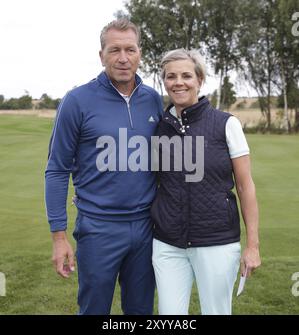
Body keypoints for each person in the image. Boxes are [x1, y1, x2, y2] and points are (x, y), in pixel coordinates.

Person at [45, 18, 163, 315]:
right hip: (98, 229)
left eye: (130, 49)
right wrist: (59, 238)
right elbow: (57, 170)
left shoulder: (153, 100)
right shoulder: (77, 101)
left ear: (139, 54)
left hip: (147, 228)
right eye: (114, 50)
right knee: (94, 310)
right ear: (102, 56)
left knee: (141, 312)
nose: (123, 58)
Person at [151, 48, 261, 315]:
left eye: (186, 75)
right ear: (164, 82)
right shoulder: (159, 127)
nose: (179, 82)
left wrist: (253, 245)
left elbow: (245, 186)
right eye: (171, 76)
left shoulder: (226, 124)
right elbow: (150, 180)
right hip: (168, 244)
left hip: (217, 243)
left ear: (199, 80)